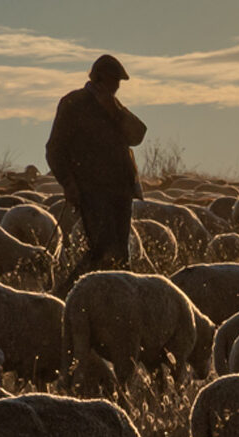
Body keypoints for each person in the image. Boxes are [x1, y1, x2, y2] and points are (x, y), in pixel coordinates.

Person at [46, 54, 147, 295]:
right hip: (92, 190)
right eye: (114, 80)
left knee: (120, 253)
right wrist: (69, 183)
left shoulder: (114, 106)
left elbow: (138, 135)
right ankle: (65, 297)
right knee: (102, 250)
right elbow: (55, 149)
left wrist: (114, 110)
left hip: (121, 190)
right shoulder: (74, 103)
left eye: (118, 82)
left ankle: (116, 303)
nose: (117, 86)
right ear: (99, 78)